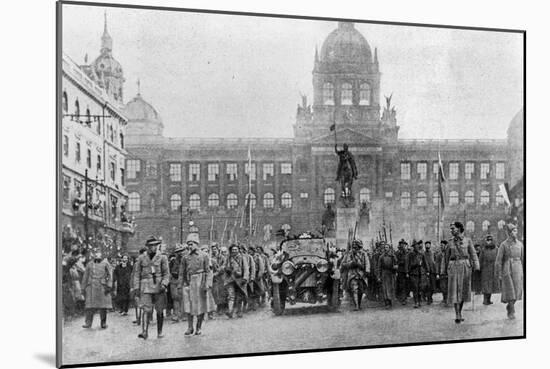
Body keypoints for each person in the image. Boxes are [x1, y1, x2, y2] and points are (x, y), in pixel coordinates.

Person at [132, 236, 170, 339]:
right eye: (151, 245)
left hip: (159, 285)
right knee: (146, 309)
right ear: (147, 247)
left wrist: (164, 283)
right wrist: (136, 287)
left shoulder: (163, 257)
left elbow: (166, 274)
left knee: (159, 309)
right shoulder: (141, 258)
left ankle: (160, 331)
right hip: (145, 286)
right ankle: (144, 331)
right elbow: (136, 274)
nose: (153, 247)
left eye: (155, 245)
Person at [444, 222, 480, 323]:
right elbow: (445, 257)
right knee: (455, 290)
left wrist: (476, 266)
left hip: (465, 266)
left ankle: (459, 311)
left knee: (463, 290)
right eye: (450, 229)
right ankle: (457, 314)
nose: (451, 230)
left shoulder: (468, 240)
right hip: (453, 266)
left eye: (453, 228)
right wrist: (444, 270)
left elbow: (473, 254)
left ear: (459, 229)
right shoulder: (450, 242)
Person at [179, 235, 210, 336]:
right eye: (188, 245)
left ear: (197, 244)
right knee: (188, 306)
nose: (189, 246)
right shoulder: (185, 257)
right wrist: (181, 284)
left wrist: (207, 284)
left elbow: (208, 271)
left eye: (191, 244)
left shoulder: (204, 255)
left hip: (200, 282)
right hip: (188, 282)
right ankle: (190, 327)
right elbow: (182, 272)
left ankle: (198, 327)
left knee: (200, 306)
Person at [495, 224, 524, 319]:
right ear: (509, 233)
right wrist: (498, 273)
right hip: (507, 268)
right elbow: (498, 260)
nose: (516, 233)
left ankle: (510, 306)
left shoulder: (520, 244)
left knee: (517, 290)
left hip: (518, 268)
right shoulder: (504, 245)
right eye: (514, 231)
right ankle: (511, 310)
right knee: (510, 291)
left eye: (516, 230)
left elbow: (523, 258)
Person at [82, 250, 113, 329]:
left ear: (102, 256)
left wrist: (109, 286)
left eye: (99, 255)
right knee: (89, 306)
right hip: (91, 286)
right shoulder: (90, 264)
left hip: (102, 286)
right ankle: (88, 323)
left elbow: (110, 275)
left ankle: (103, 323)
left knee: (103, 306)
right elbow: (85, 276)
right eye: (96, 255)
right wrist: (83, 288)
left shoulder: (106, 264)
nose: (97, 257)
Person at [341, 240, 370, 310]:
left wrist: (367, 271)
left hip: (361, 274)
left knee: (361, 290)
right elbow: (343, 264)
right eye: (353, 245)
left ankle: (359, 304)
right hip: (352, 274)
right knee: (354, 290)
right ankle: (356, 306)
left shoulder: (363, 254)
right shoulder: (349, 254)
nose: (355, 246)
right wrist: (351, 263)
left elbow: (367, 263)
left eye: (356, 245)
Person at [223, 244, 249, 318]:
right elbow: (224, 266)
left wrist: (245, 278)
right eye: (233, 250)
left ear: (238, 250)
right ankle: (230, 311)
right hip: (230, 279)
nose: (234, 251)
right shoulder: (228, 258)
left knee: (239, 296)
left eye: (236, 249)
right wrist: (226, 268)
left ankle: (239, 311)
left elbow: (246, 268)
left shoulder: (242, 258)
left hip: (239, 279)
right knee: (231, 295)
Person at [406, 241, 428, 308]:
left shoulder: (421, 254)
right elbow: (408, 264)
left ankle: (419, 301)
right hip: (413, 273)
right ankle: (416, 302)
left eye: (417, 246)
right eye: (415, 246)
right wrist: (407, 272)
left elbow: (425, 263)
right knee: (415, 288)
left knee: (420, 288)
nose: (416, 247)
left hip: (420, 273)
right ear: (413, 247)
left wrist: (427, 271)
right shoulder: (410, 255)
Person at [479, 235, 500, 305]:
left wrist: (498, 267)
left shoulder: (496, 249)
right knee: (485, 284)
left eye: (490, 240)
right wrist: (479, 267)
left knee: (491, 284)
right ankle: (485, 300)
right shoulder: (483, 249)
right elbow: (480, 259)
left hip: (493, 268)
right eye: (487, 240)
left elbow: (498, 258)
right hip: (485, 268)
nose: (489, 242)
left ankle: (489, 299)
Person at [376, 242, 397, 308]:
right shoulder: (381, 257)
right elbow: (379, 267)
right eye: (385, 247)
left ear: (389, 248)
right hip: (384, 273)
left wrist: (395, 267)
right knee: (385, 288)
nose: (385, 249)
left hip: (391, 273)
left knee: (391, 288)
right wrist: (378, 276)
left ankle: (391, 301)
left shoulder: (392, 256)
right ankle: (387, 302)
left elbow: (396, 264)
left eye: (387, 247)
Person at [130, 247, 147, 325]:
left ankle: (146, 318)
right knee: (138, 302)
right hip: (138, 285)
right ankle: (138, 318)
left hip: (146, 284)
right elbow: (133, 275)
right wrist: (132, 286)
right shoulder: (136, 264)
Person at [169, 245, 185, 322]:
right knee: (175, 298)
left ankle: (183, 315)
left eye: (181, 251)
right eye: (178, 251)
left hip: (183, 280)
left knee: (183, 298)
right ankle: (176, 315)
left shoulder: (185, 260)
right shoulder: (172, 261)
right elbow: (169, 271)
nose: (180, 253)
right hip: (174, 280)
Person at [435, 240, 449, 306]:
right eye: (441, 245)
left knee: (448, 287)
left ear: (446, 246)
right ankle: (444, 299)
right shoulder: (439, 255)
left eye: (442, 245)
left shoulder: (449, 254)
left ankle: (448, 299)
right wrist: (437, 273)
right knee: (442, 287)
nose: (441, 247)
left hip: (448, 273)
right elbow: (437, 264)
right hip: (441, 273)